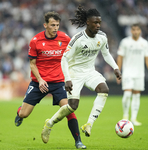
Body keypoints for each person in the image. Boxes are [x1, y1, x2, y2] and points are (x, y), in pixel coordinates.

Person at [41, 6, 121, 143]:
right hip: (74, 73)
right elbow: (64, 59)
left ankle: (89, 124)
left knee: (104, 90)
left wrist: (115, 67)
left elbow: (106, 54)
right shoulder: (78, 39)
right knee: (72, 106)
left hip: (90, 71)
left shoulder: (102, 37)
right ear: (88, 23)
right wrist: (67, 79)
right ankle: (49, 123)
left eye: (99, 23)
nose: (98, 25)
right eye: (95, 23)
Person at [14, 11, 86, 149]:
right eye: (52, 25)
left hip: (59, 82)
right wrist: (40, 80)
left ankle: (78, 141)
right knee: (25, 113)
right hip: (38, 83)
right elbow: (32, 64)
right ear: (45, 25)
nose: (55, 28)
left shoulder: (65, 38)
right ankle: (19, 112)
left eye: (57, 25)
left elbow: (74, 55)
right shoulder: (36, 41)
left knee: (69, 109)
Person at [116, 24, 148, 126]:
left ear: (140, 31)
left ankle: (134, 118)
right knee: (127, 94)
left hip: (139, 73)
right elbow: (120, 57)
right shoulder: (125, 42)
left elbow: (146, 58)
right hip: (128, 73)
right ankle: (125, 116)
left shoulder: (144, 43)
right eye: (133, 29)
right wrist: (118, 72)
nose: (135, 31)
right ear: (131, 31)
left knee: (136, 95)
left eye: (137, 30)